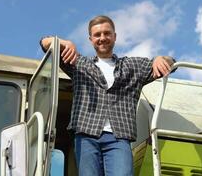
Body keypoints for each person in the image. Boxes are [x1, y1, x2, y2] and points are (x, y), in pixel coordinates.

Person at [40, 15, 175, 176]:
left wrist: (160, 59)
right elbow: (44, 43)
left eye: (107, 33)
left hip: (119, 137)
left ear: (114, 36)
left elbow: (171, 63)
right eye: (97, 35)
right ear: (91, 39)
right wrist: (64, 43)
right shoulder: (78, 63)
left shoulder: (133, 66)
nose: (102, 38)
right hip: (86, 135)